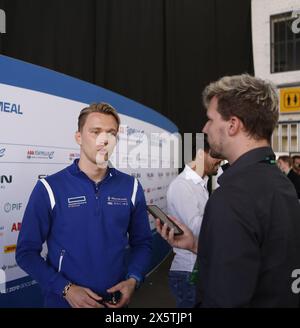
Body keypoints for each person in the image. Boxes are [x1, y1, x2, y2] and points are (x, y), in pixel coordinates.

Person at [156, 74, 300, 307]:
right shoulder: (280, 183)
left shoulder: (233, 197)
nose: (205, 128)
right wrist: (195, 244)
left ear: (232, 125)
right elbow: (259, 263)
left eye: (211, 120)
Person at [16, 103, 153, 308]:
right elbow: (25, 253)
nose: (103, 140)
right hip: (62, 303)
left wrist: (133, 279)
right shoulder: (50, 188)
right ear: (78, 137)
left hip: (114, 304)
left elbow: (142, 243)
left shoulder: (131, 186)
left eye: (111, 133)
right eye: (95, 132)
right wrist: (65, 289)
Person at [167, 136, 222, 308]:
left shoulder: (200, 184)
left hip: (199, 269)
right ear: (200, 154)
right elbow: (198, 229)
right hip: (188, 273)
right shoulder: (182, 186)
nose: (221, 160)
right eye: (216, 155)